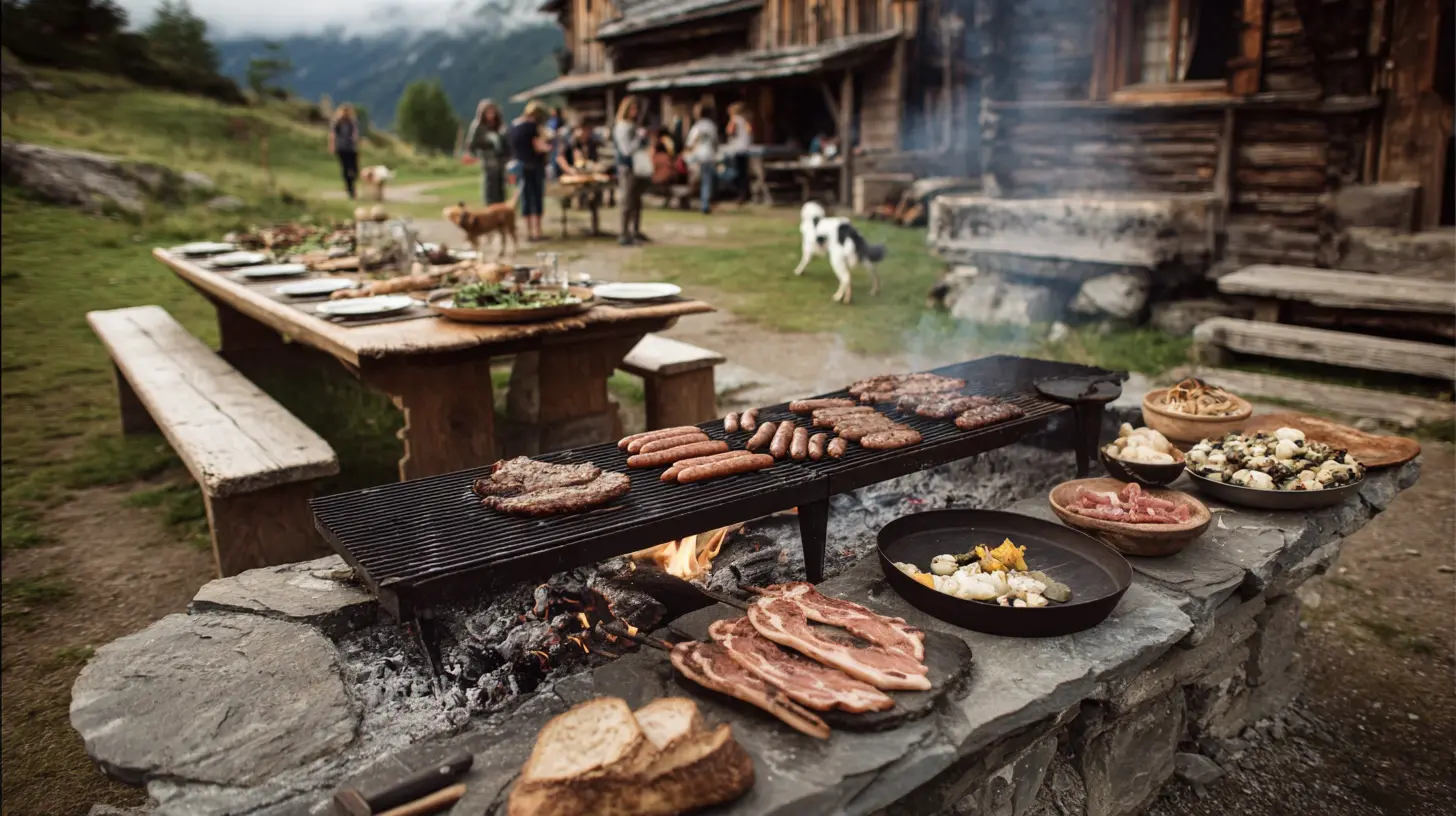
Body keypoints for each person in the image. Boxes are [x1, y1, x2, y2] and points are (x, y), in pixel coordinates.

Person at [509, 100, 552, 242]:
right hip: (534, 165)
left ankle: (527, 232)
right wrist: (548, 147)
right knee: (536, 199)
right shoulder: (532, 126)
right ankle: (537, 232)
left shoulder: (514, 125)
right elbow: (537, 146)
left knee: (525, 199)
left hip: (520, 165)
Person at [613, 95, 649, 246]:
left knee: (637, 199)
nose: (635, 111)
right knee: (627, 200)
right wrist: (639, 138)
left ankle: (635, 230)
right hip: (626, 167)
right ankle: (624, 232)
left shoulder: (632, 125)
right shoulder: (622, 127)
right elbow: (627, 150)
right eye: (632, 108)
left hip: (637, 166)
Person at [464, 99, 510, 206]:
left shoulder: (500, 126)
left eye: (492, 112)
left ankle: (501, 211)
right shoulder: (478, 126)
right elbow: (471, 144)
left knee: (501, 189)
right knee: (490, 189)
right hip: (488, 161)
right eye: (488, 112)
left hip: (501, 161)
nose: (491, 115)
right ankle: (490, 210)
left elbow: (506, 143)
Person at [684, 102, 718, 215]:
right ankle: (706, 202)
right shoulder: (711, 126)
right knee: (707, 181)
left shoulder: (697, 126)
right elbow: (715, 142)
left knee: (699, 181)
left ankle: (702, 203)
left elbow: (690, 142)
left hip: (698, 157)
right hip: (709, 155)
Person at [328, 104, 361, 200]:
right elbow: (333, 134)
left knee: (354, 169)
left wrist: (357, 141)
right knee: (345, 168)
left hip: (351, 148)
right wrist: (332, 145)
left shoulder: (351, 122)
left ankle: (351, 183)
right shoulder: (337, 122)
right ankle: (350, 189)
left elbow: (355, 133)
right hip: (341, 148)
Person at [725, 101, 754, 205]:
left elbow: (729, 131)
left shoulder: (735, 120)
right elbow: (750, 130)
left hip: (737, 149)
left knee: (737, 173)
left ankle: (740, 194)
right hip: (746, 147)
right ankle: (746, 193)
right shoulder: (745, 120)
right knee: (744, 172)